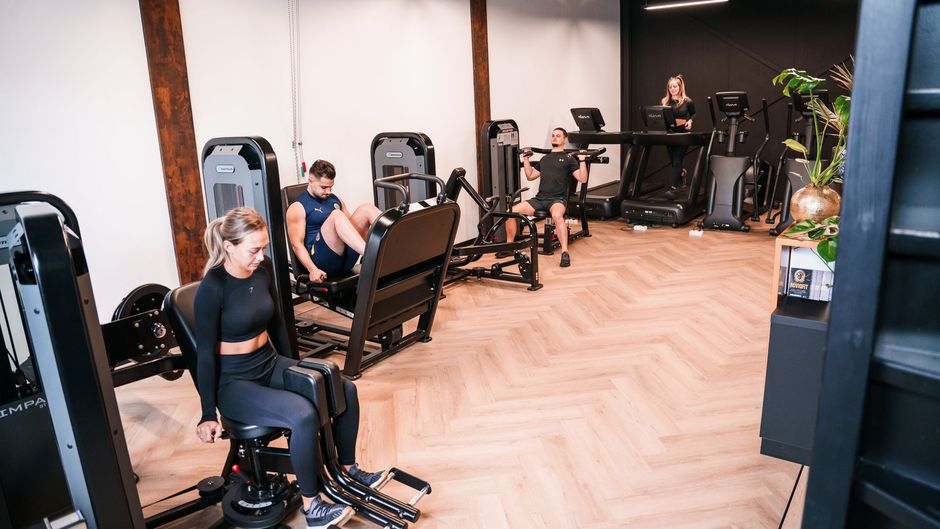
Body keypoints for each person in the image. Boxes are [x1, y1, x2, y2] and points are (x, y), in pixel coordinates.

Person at [194, 207, 386, 529]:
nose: (261, 255)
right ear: (229, 247)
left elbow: (278, 324)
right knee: (302, 413)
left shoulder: (264, 268)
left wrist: (299, 369)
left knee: (342, 387)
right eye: (254, 250)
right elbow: (204, 355)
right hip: (234, 382)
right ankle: (313, 508)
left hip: (268, 363)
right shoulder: (213, 287)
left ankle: (350, 471)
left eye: (264, 247)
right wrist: (206, 414)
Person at [504, 127, 588, 268]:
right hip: (540, 199)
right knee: (510, 211)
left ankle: (565, 253)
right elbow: (530, 176)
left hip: (557, 200)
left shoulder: (569, 159)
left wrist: (582, 161)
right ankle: (509, 246)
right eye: (553, 135)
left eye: (558, 136)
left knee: (556, 215)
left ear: (564, 140)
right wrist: (526, 159)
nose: (555, 138)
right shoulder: (544, 159)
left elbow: (582, 179)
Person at [286, 159, 383, 282]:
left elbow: (350, 229)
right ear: (310, 180)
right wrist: (312, 270)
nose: (328, 192)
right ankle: (374, 255)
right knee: (337, 215)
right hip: (323, 262)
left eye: (331, 187)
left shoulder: (335, 199)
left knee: (366, 208)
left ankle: (393, 247)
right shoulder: (298, 206)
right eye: (324, 187)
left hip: (346, 259)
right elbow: (297, 244)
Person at [661, 74, 696, 200]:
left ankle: (673, 188)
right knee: (673, 162)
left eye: (675, 86)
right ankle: (681, 173)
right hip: (669, 135)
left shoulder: (687, 101)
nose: (672, 89)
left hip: (683, 135)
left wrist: (690, 121)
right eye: (670, 87)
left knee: (677, 160)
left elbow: (694, 113)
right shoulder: (665, 102)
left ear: (680, 87)